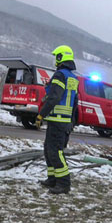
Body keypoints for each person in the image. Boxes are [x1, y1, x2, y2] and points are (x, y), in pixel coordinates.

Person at [36, 45, 79, 194]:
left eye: (57, 56)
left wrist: (41, 115)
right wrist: (72, 122)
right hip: (64, 121)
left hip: (58, 121)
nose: (55, 59)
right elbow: (75, 102)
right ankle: (52, 179)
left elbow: (54, 97)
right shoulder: (73, 78)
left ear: (61, 57)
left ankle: (63, 183)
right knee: (49, 150)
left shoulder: (60, 75)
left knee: (55, 152)